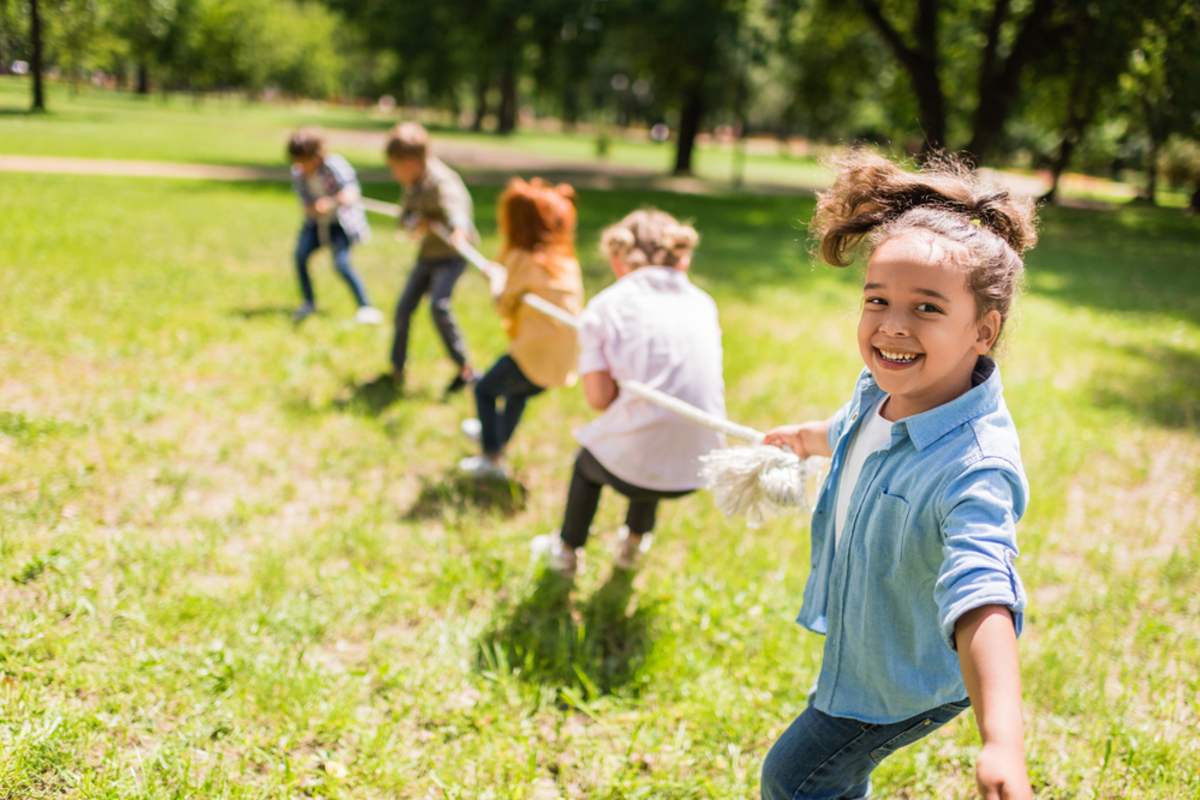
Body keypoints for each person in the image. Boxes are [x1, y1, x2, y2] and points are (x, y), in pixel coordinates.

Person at [758, 152, 1039, 800]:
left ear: (984, 331)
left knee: (797, 778)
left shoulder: (973, 467)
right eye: (877, 300)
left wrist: (1002, 740)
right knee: (832, 776)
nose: (891, 324)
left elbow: (983, 593)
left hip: (905, 677)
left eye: (926, 308)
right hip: (871, 647)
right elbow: (859, 429)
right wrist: (809, 439)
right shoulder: (882, 389)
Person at [531, 209, 727, 577]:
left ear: (618, 258)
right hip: (699, 465)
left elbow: (598, 399)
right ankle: (633, 546)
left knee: (587, 463)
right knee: (653, 428)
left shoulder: (606, 305)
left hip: (638, 467)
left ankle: (567, 552)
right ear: (681, 258)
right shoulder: (704, 301)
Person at [458, 178, 585, 480]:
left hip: (534, 353)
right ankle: (496, 437)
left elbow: (504, 303)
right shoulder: (565, 260)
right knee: (517, 394)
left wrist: (495, 281)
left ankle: (491, 459)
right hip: (563, 359)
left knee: (485, 389)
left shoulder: (521, 258)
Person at [386, 121, 478, 396]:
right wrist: (418, 222)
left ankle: (467, 369)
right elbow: (404, 219)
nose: (394, 174)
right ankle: (396, 369)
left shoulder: (441, 179)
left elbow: (456, 206)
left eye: (395, 167)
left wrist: (459, 230)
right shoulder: (412, 184)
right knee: (403, 309)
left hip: (451, 256)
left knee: (439, 306)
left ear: (411, 161)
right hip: (428, 255)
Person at [286, 127, 382, 325]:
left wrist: (331, 202)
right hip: (316, 224)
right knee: (300, 256)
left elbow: (352, 192)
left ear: (316, 155)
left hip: (341, 223)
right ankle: (309, 302)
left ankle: (366, 306)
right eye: (298, 162)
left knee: (342, 265)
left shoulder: (334, 165)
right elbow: (305, 205)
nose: (301, 166)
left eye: (304, 161)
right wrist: (314, 208)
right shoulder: (298, 174)